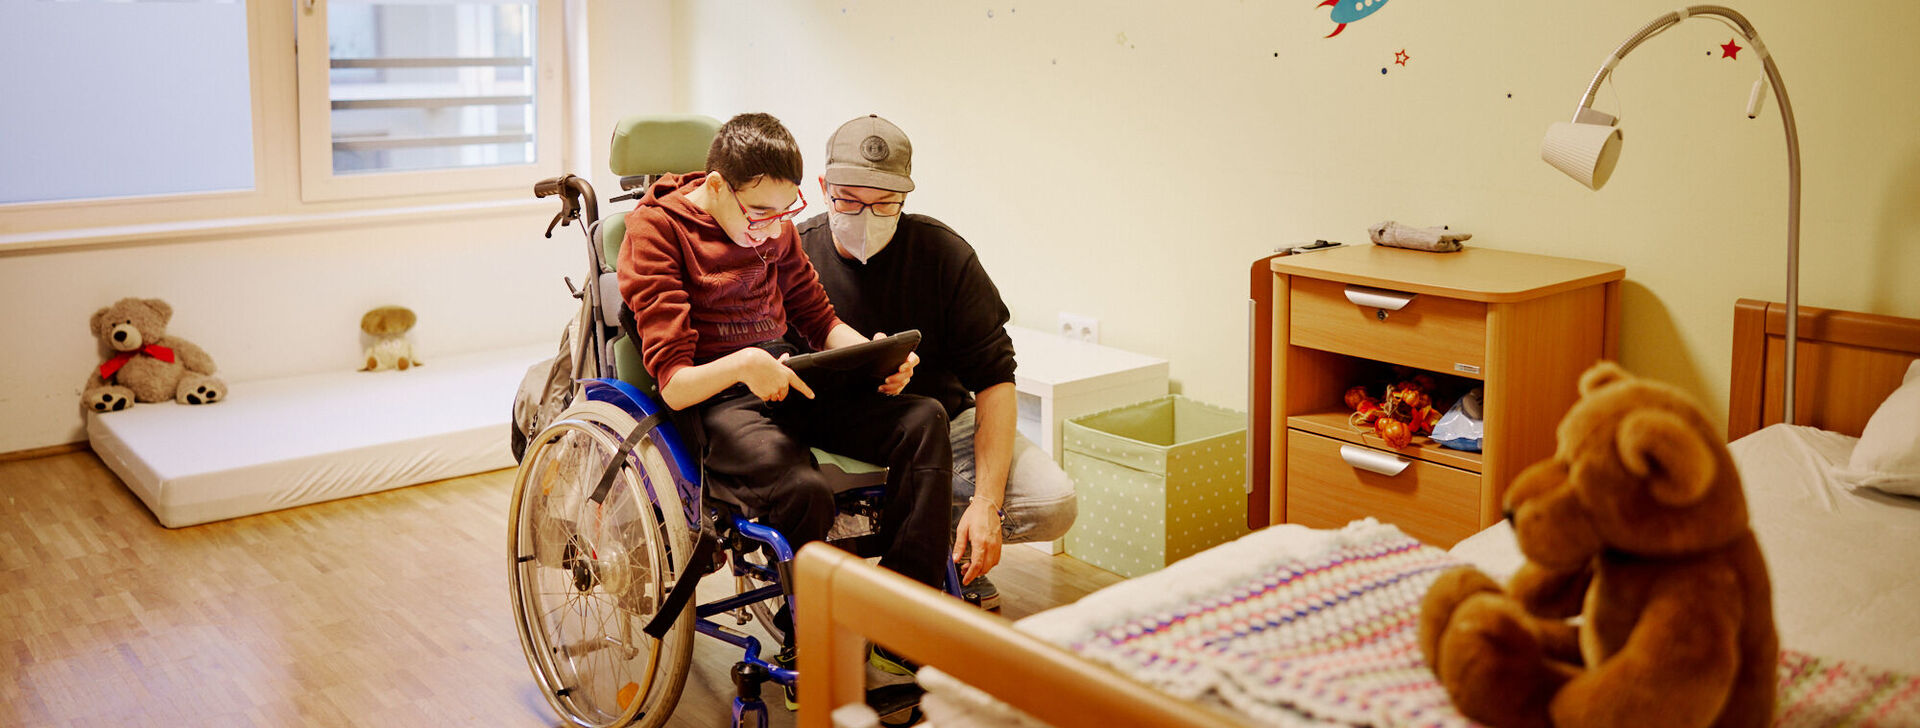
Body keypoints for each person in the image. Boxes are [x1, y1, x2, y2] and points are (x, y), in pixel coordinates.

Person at [616, 112, 954, 636]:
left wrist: (875, 356)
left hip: (787, 373)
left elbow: (819, 321)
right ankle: (812, 640)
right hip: (716, 398)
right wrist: (745, 365)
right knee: (805, 491)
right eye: (759, 213)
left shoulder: (772, 227)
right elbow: (676, 386)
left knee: (925, 418)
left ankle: (901, 612)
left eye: (785, 211)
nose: (774, 228)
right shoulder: (656, 231)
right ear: (714, 186)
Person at [797, 115, 1078, 611]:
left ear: (906, 197)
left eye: (884, 204)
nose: (865, 217)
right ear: (823, 187)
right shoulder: (793, 257)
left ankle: (935, 551)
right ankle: (910, 560)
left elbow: (995, 378)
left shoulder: (943, 256)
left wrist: (986, 503)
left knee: (1052, 503)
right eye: (849, 200)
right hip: (828, 429)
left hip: (942, 424)